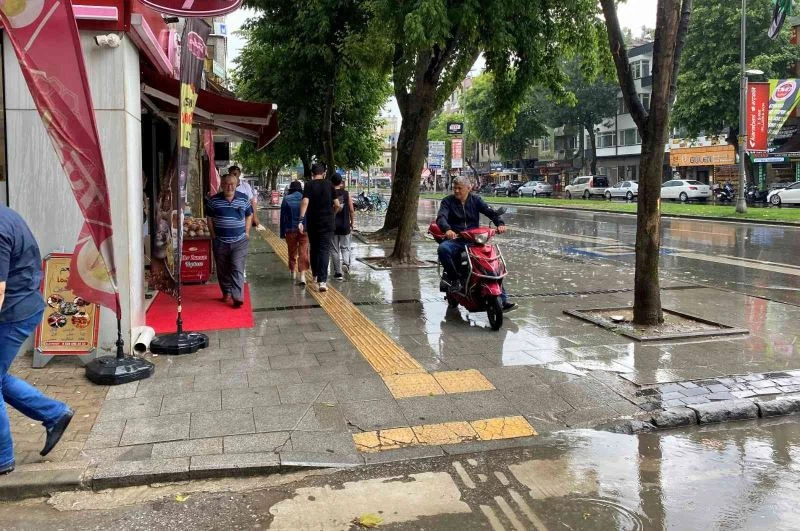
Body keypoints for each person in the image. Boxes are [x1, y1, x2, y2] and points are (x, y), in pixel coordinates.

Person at [0, 205, 74, 475]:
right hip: (19, 307)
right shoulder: (6, 214)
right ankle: (54, 414)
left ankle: (3, 457)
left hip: (13, 312)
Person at [436, 176, 517, 312]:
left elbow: (490, 211)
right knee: (443, 249)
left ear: (469, 188)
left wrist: (500, 224)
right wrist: (447, 229)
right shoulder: (447, 202)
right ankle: (454, 279)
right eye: (454, 188)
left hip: (475, 240)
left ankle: (502, 299)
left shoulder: (476, 200)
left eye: (459, 188)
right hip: (456, 239)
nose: (456, 191)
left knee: (491, 264)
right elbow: (441, 217)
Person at [207, 173, 252, 308]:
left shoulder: (244, 199)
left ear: (236, 185)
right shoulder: (213, 200)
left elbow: (249, 215)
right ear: (221, 185)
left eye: (232, 184)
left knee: (237, 267)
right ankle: (226, 291)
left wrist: (247, 232)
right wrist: (213, 235)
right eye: (226, 184)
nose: (229, 186)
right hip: (220, 240)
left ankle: (237, 297)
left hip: (239, 241)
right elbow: (209, 218)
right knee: (222, 269)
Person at [298, 163, 341, 292]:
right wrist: (332, 214)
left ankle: (315, 274)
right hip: (327, 223)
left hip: (312, 223)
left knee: (314, 248)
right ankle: (322, 282)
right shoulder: (329, 184)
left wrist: (301, 219)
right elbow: (337, 204)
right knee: (324, 250)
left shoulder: (309, 185)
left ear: (312, 173)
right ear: (324, 173)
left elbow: (305, 202)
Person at [280, 180, 310, 286]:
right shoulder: (305, 198)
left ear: (291, 189)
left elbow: (282, 217)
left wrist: (282, 232)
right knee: (303, 252)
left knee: (292, 251)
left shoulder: (286, 199)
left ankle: (292, 272)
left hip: (290, 229)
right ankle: (302, 275)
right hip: (305, 229)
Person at [330, 173, 354, 280]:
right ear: (341, 182)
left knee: (334, 250)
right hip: (345, 225)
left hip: (333, 226)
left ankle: (338, 272)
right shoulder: (346, 194)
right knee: (345, 247)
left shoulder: (330, 193)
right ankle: (346, 263)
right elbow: (352, 210)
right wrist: (352, 223)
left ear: (331, 182)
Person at [228, 165, 262, 230]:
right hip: (229, 217)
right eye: (231, 174)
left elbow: (252, 201)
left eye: (235, 173)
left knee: (244, 234)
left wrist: (255, 217)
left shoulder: (245, 185)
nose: (233, 175)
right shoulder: (226, 185)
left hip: (243, 217)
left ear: (239, 173)